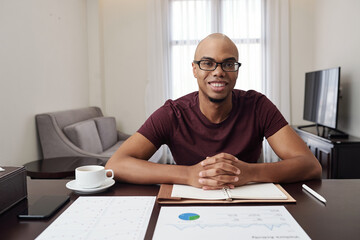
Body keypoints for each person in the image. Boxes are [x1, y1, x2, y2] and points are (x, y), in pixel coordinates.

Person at [105, 33, 321, 190]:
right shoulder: (173, 113)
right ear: (195, 69)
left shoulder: (258, 106)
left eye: (228, 64)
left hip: (247, 204)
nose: (218, 72)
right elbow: (116, 164)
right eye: (208, 63)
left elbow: (310, 165)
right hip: (189, 206)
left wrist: (248, 173)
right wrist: (189, 174)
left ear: (236, 71)